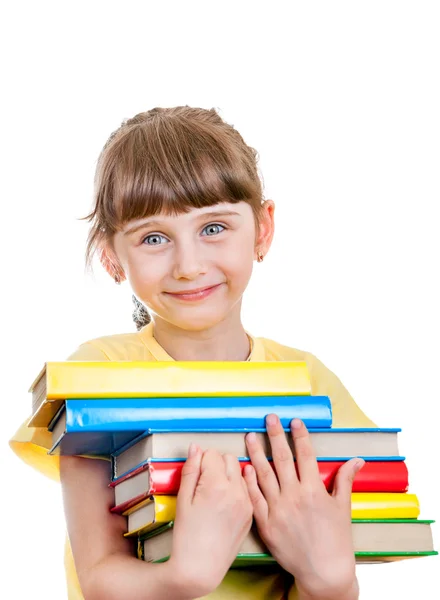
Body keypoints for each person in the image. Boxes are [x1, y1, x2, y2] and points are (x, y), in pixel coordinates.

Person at [10, 106, 377, 600]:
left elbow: (335, 561)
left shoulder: (311, 381)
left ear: (263, 228)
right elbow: (100, 576)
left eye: (213, 228)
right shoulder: (97, 376)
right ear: (111, 255)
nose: (188, 265)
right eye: (154, 238)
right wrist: (184, 576)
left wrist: (330, 582)